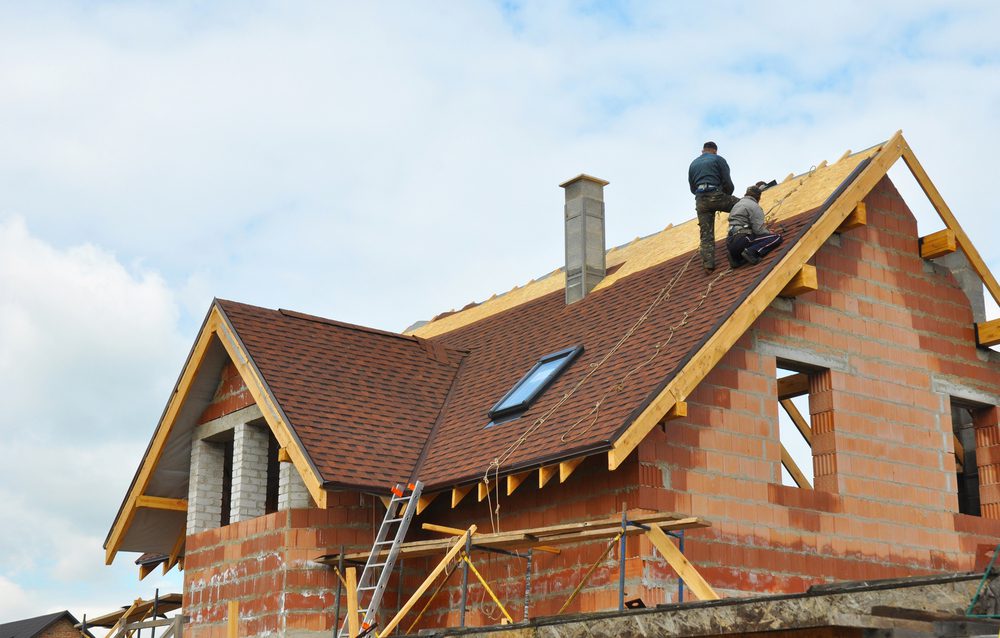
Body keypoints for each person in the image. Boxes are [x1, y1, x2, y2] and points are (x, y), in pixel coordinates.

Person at [688, 142, 739, 271]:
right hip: (715, 194)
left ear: (702, 151)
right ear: (715, 151)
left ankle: (708, 265)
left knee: (706, 234)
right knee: (742, 205)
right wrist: (725, 195)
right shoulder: (718, 159)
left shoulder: (693, 164)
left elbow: (692, 187)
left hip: (700, 200)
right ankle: (745, 235)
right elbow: (727, 182)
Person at [727, 183, 783, 268]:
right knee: (776, 237)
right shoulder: (754, 206)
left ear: (746, 194)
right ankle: (751, 252)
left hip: (730, 242)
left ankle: (735, 258)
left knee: (748, 238)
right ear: (758, 197)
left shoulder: (737, 205)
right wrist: (768, 233)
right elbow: (759, 230)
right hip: (743, 239)